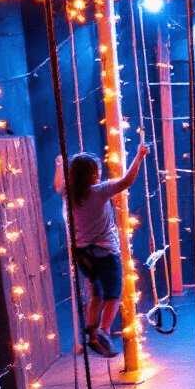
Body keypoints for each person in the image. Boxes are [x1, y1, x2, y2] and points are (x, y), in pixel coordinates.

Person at [60, 145, 148, 357]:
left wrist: (57, 166)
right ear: (93, 173)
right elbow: (127, 181)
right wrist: (139, 155)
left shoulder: (68, 193)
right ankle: (104, 330)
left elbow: (58, 184)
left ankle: (91, 331)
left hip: (83, 254)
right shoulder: (100, 191)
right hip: (105, 252)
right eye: (97, 170)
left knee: (96, 293)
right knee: (114, 293)